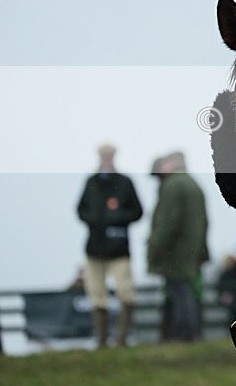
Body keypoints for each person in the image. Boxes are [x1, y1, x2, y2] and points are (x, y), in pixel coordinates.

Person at [77, 143, 143, 348]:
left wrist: (116, 218)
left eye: (109, 155)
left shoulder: (124, 182)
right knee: (97, 295)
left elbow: (137, 212)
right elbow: (81, 210)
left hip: (118, 250)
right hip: (94, 248)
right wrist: (97, 221)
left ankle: (121, 339)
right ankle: (101, 341)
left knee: (126, 292)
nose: (106, 158)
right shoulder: (91, 182)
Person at [147, 151, 209, 342]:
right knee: (186, 293)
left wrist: (155, 247)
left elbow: (167, 222)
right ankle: (190, 334)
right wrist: (202, 251)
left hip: (175, 251)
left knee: (179, 294)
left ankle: (181, 336)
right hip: (190, 249)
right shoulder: (193, 184)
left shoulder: (173, 185)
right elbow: (204, 221)